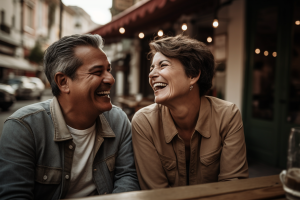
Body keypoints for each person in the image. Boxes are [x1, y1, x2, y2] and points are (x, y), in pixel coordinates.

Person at [0, 34, 140, 199]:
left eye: (108, 70)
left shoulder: (118, 120)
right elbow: (14, 195)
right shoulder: (23, 127)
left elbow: (127, 176)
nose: (110, 79)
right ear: (63, 82)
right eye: (97, 72)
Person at [132, 35, 248, 190]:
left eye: (162, 65)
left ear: (193, 75)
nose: (151, 74)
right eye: (152, 67)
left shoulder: (228, 115)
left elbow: (233, 186)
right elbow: (157, 194)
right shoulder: (144, 122)